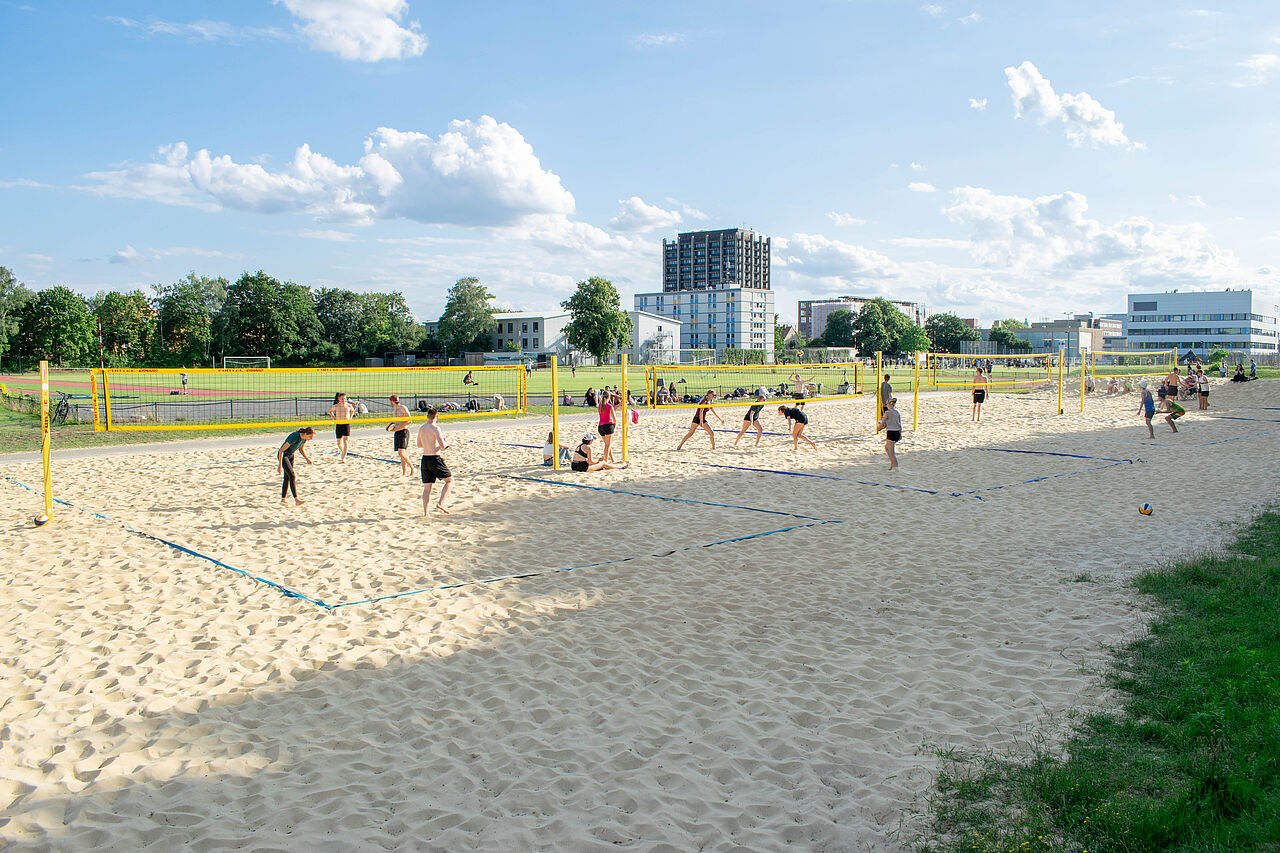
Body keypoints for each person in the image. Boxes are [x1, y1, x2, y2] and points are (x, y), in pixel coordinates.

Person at [415, 407, 453, 516]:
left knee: (427, 488)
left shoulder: (422, 428)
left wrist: (431, 446)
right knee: (450, 481)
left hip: (425, 459)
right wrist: (447, 443)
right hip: (434, 459)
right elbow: (442, 445)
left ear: (427, 416)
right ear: (436, 417)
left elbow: (419, 445)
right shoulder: (436, 428)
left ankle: (426, 513)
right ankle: (441, 503)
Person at [276, 426, 315, 506]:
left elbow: (301, 449)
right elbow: (281, 451)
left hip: (291, 456)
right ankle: (296, 499)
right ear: (305, 434)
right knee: (292, 476)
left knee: (287, 477)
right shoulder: (294, 436)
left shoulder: (304, 439)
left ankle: (283, 499)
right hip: (284, 456)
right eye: (310, 436)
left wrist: (306, 458)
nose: (311, 439)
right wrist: (279, 465)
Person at [387, 394, 413, 475]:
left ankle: (412, 468)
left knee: (401, 453)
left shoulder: (403, 408)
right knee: (402, 454)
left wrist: (399, 427)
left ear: (392, 401)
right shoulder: (394, 410)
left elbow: (409, 421)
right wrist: (391, 428)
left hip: (403, 431)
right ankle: (404, 473)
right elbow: (395, 423)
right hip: (397, 432)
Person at [876, 396, 902, 470]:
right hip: (897, 432)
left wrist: (878, 428)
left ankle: (895, 465)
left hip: (891, 432)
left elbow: (883, 423)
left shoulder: (887, 413)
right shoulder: (897, 412)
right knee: (887, 448)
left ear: (889, 404)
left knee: (891, 451)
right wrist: (900, 434)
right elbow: (899, 424)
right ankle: (893, 464)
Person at [328, 391, 355, 462]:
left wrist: (350, 417)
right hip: (339, 424)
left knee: (345, 441)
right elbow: (330, 411)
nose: (343, 400)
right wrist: (334, 418)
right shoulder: (336, 406)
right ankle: (342, 451)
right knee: (339, 442)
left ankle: (344, 457)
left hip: (346, 424)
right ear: (339, 399)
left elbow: (352, 411)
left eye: (345, 398)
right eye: (342, 399)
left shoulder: (348, 406)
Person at [598, 389, 620, 462]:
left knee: (607, 445)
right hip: (608, 425)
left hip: (600, 426)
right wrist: (614, 425)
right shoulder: (609, 406)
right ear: (609, 397)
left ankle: (612, 459)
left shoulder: (600, 405)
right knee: (607, 445)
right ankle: (605, 461)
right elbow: (614, 418)